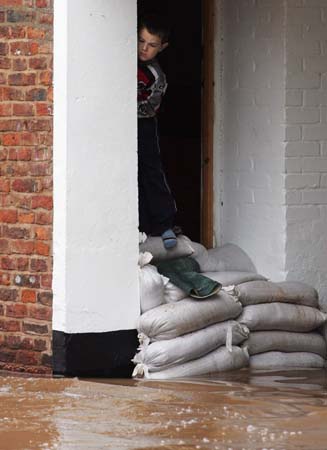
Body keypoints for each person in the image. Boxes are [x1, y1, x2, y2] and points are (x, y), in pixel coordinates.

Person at [137, 13, 177, 249]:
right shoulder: (120, 60)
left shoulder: (156, 76)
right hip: (119, 124)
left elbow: (150, 107)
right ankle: (141, 225)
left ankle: (164, 224)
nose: (144, 49)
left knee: (151, 171)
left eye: (152, 45)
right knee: (130, 174)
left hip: (144, 123)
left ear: (163, 47)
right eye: (141, 41)